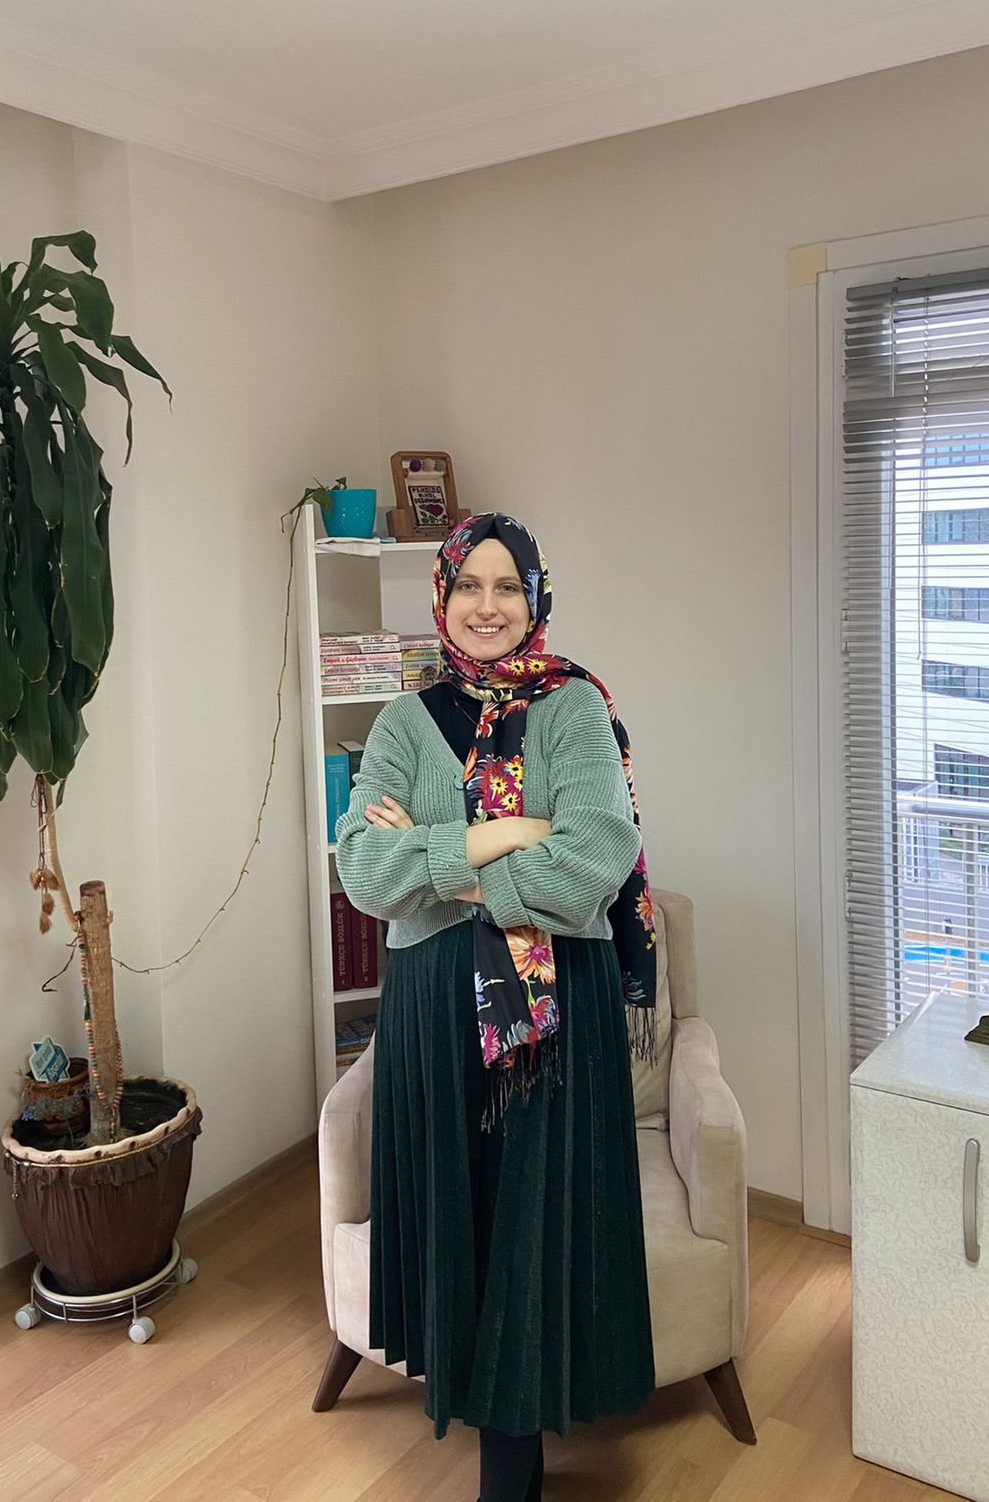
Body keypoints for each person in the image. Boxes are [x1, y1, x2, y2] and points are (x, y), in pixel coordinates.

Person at [334, 511, 659, 1502]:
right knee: (460, 1213)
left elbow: (598, 856)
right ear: (441, 597)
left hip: (553, 1015)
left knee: (530, 1219)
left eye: (506, 585)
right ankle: (480, 1412)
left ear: (535, 598)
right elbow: (363, 869)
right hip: (434, 1013)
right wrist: (506, 832)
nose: (487, 606)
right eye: (468, 585)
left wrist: (443, 864)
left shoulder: (574, 707)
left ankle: (510, 1466)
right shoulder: (403, 721)